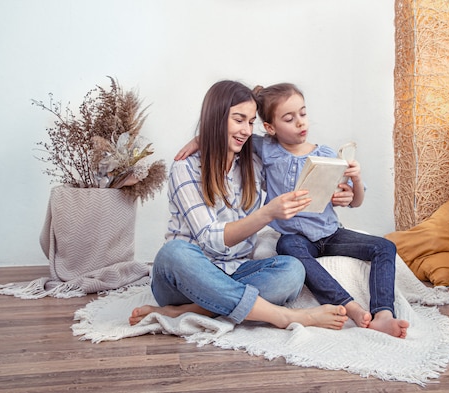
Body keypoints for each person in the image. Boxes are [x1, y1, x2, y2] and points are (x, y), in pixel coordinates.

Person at [177, 82, 409, 338]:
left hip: (329, 233)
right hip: (295, 238)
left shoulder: (326, 153)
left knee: (384, 247)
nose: (300, 123)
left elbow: (354, 201)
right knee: (289, 247)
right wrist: (200, 139)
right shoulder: (265, 148)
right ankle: (348, 306)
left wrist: (353, 185)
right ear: (270, 128)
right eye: (289, 118)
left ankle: (384, 312)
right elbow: (225, 132)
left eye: (303, 114)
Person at [129, 80, 348, 330]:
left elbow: (291, 176)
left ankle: (191, 311)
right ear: (216, 118)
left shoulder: (252, 164)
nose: (246, 130)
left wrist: (339, 192)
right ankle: (284, 316)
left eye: (251, 121)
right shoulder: (186, 167)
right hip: (186, 277)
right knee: (174, 253)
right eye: (238, 119)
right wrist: (268, 213)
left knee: (292, 270)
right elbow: (211, 239)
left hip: (234, 271)